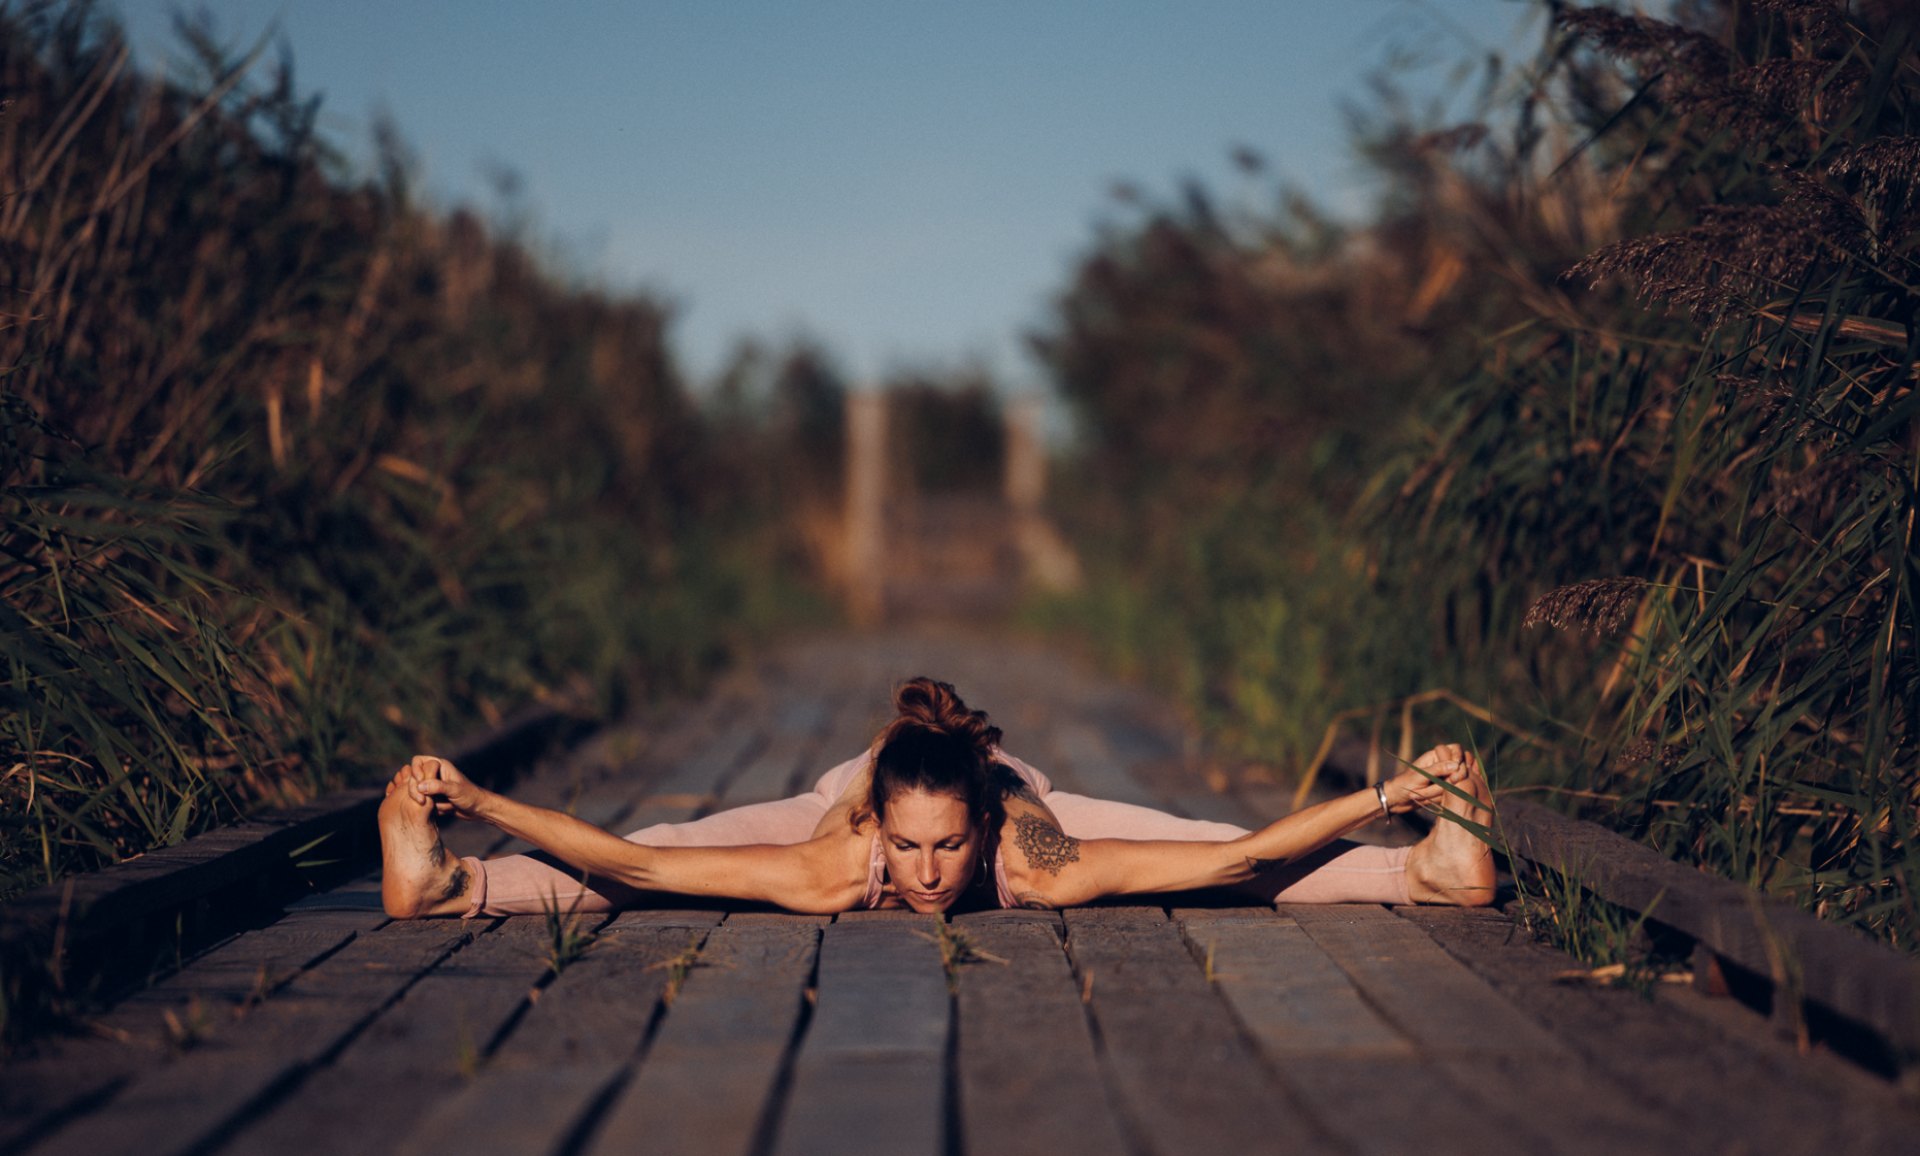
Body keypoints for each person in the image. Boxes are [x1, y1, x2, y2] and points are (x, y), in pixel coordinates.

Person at [378, 677, 1495, 920]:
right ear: (881, 826)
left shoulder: (1029, 850)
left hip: (1011, 783)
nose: (923, 874)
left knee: (1204, 849)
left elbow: (1238, 857)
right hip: (838, 791)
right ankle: (448, 885)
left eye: (945, 850)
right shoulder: (845, 853)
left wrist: (1389, 798)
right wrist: (479, 803)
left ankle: (1429, 867)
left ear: (984, 827)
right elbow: (639, 864)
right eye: (911, 850)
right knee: (664, 846)